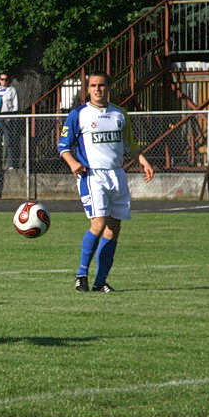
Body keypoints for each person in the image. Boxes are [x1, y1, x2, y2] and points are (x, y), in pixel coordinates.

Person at [58, 72, 154, 293]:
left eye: (101, 85)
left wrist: (143, 162)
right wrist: (72, 162)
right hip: (93, 176)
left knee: (114, 228)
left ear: (108, 87)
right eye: (93, 85)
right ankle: (81, 275)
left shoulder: (119, 114)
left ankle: (100, 282)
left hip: (117, 175)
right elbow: (63, 146)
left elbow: (130, 145)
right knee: (98, 224)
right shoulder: (78, 114)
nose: (97, 89)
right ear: (88, 89)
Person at [0, 73, 22, 169]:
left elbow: (15, 105)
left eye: (6, 79)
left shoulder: (12, 90)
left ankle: (11, 163)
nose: (4, 81)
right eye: (2, 79)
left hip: (7, 118)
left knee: (9, 141)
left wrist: (11, 116)